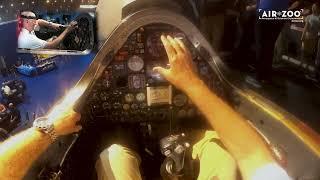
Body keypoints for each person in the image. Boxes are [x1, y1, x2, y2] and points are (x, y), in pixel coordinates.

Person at [0, 35, 291, 180]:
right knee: (219, 152)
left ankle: (123, 143)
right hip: (185, 125)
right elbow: (253, 154)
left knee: (113, 152)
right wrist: (193, 84)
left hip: (128, 135)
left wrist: (49, 127)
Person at [301, 3, 320, 81]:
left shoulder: (319, 17)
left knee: (310, 54)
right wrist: (302, 36)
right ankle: (305, 69)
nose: (313, 8)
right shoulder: (309, 16)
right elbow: (305, 27)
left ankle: (308, 69)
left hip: (314, 38)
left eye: (315, 7)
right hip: (307, 37)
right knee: (304, 53)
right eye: (312, 7)